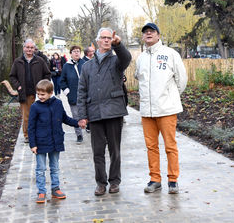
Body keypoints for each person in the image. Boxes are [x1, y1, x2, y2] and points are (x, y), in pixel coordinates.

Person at [77, 27, 132, 196]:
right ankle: (101, 183)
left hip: (114, 111)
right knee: (97, 151)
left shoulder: (116, 61)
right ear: (97, 41)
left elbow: (126, 58)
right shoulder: (87, 67)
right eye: (104, 38)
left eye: (109, 38)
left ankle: (114, 181)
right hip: (95, 113)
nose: (107, 40)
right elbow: (82, 91)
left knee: (115, 150)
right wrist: (82, 115)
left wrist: (119, 44)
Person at [135, 23, 188, 194]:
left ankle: (173, 180)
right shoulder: (141, 58)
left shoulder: (170, 54)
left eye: (152, 31)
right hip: (147, 111)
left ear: (158, 35)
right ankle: (154, 179)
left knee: (170, 146)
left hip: (166, 110)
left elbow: (182, 80)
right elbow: (139, 79)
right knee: (151, 147)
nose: (148, 34)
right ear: (143, 37)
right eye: (145, 32)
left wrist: (170, 97)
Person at [28, 80, 79, 203]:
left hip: (56, 141)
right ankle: (41, 191)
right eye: (38, 94)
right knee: (40, 169)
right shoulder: (35, 106)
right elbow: (31, 127)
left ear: (51, 93)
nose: (40, 97)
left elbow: (65, 118)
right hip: (40, 142)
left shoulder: (58, 104)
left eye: (43, 94)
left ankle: (55, 188)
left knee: (55, 167)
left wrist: (77, 123)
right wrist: (33, 144)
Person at [9, 38, 51, 143]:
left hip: (38, 94)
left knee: (40, 115)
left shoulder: (39, 61)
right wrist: (18, 86)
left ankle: (40, 134)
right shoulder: (18, 61)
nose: (29, 49)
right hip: (24, 94)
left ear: (34, 49)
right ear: (24, 48)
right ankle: (27, 135)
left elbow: (47, 74)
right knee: (27, 117)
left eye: (31, 47)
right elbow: (12, 76)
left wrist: (44, 86)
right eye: (27, 47)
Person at [60, 46, 85, 143]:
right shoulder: (67, 66)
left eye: (78, 51)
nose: (76, 53)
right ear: (71, 53)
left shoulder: (85, 64)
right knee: (76, 116)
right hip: (73, 96)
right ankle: (79, 135)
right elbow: (62, 81)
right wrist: (67, 93)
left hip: (85, 95)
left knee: (90, 113)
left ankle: (90, 129)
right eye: (74, 51)